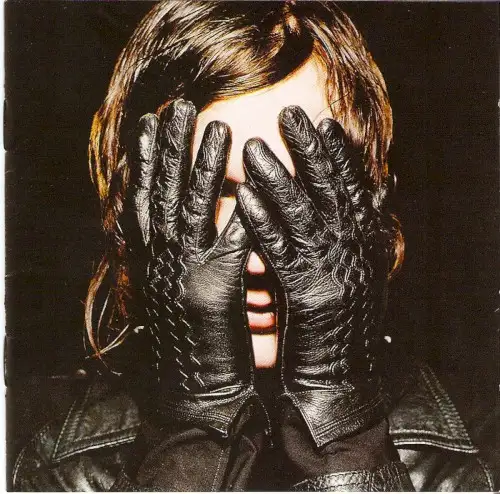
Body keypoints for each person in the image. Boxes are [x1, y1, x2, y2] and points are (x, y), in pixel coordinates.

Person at [11, 1, 497, 491]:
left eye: (300, 188)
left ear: (368, 196)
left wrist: (340, 426)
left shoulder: (484, 453)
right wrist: (194, 429)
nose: (261, 259)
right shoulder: (30, 453)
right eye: (215, 191)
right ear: (137, 201)